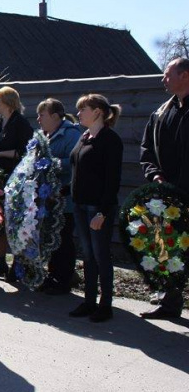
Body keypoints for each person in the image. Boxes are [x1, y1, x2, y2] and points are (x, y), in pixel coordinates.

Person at [140, 57, 189, 319]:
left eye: (168, 74)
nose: (163, 79)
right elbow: (146, 149)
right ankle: (170, 304)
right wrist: (154, 175)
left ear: (185, 75)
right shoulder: (161, 113)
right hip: (167, 195)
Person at [68, 94, 123, 323]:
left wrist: (102, 212)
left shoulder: (110, 140)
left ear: (98, 111)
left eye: (84, 109)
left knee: (101, 256)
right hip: (80, 205)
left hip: (98, 208)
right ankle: (89, 301)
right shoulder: (84, 136)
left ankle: (105, 305)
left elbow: (112, 181)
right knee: (88, 255)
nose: (79, 113)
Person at [0, 86, 34, 282]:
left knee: (14, 223)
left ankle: (17, 266)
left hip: (15, 179)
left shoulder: (21, 124)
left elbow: (26, 152)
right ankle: (0, 264)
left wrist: (0, 154)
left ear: (8, 103)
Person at [36, 99, 82, 294]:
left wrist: (50, 163)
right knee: (51, 238)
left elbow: (75, 163)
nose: (38, 119)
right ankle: (53, 275)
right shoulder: (45, 135)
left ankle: (64, 279)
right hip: (48, 199)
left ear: (55, 116)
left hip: (65, 198)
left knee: (63, 240)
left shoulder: (71, 135)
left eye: (42, 115)